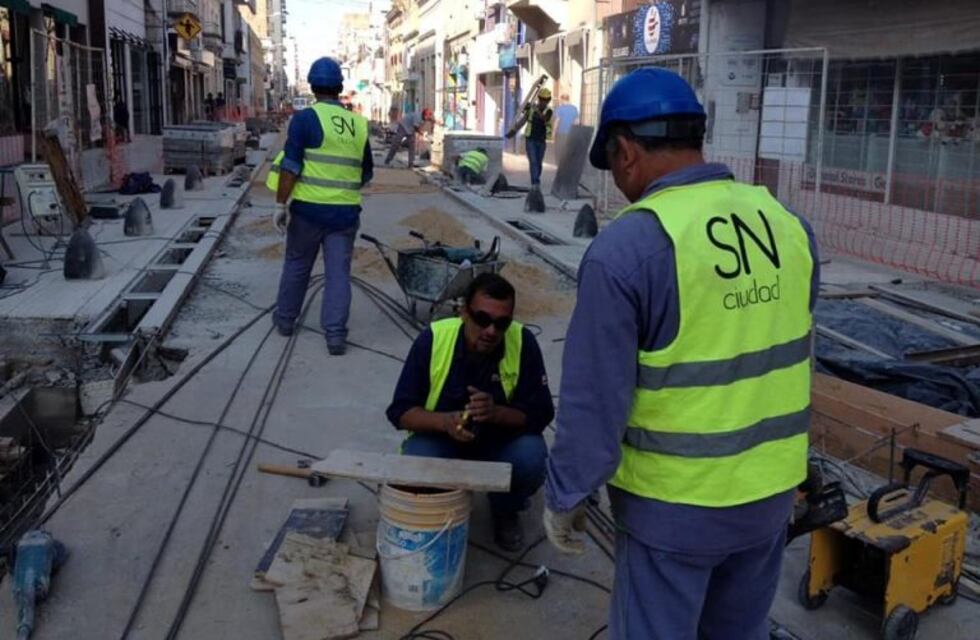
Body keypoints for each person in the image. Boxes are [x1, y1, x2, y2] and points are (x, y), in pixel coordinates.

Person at [543, 68, 818, 640]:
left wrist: (566, 493)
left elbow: (595, 401)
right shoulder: (789, 226)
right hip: (769, 496)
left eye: (614, 167)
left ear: (624, 152)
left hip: (676, 510)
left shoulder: (628, 248)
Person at [386, 273, 555, 551]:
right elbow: (400, 411)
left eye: (502, 323)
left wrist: (496, 413)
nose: (491, 331)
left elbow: (541, 414)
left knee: (532, 456)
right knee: (417, 459)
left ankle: (505, 510)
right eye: (482, 319)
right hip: (441, 440)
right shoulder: (434, 339)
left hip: (499, 443)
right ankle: (442, 508)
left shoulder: (522, 342)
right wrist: (445, 422)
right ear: (463, 312)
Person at [265, 57, 373, 355]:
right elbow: (365, 172)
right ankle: (336, 336)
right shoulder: (359, 124)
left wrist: (280, 204)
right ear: (339, 87)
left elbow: (290, 166)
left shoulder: (304, 120)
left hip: (308, 213)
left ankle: (286, 321)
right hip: (346, 214)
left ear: (312, 87)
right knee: (338, 273)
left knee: (297, 265)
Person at [521, 87, 553, 189]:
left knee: (539, 163)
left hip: (541, 140)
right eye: (542, 99)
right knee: (533, 161)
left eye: (546, 100)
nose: (544, 102)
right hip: (530, 139)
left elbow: (544, 119)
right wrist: (526, 107)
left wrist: (536, 110)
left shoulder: (549, 111)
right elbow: (522, 114)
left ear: (548, 100)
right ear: (539, 99)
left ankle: (536, 178)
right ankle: (535, 183)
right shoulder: (531, 108)